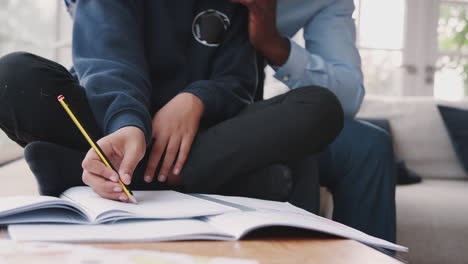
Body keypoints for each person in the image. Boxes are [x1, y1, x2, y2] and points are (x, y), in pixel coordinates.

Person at [0, 1, 343, 205]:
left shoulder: (239, 5)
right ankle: (174, 175)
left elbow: (238, 83)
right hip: (111, 121)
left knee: (320, 107)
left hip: (203, 132)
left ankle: (82, 169)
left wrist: (195, 100)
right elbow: (107, 61)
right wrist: (128, 124)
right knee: (11, 75)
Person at [232, 0, 396, 242]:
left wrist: (274, 45)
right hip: (178, 101)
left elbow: (348, 98)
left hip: (247, 110)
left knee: (367, 146)